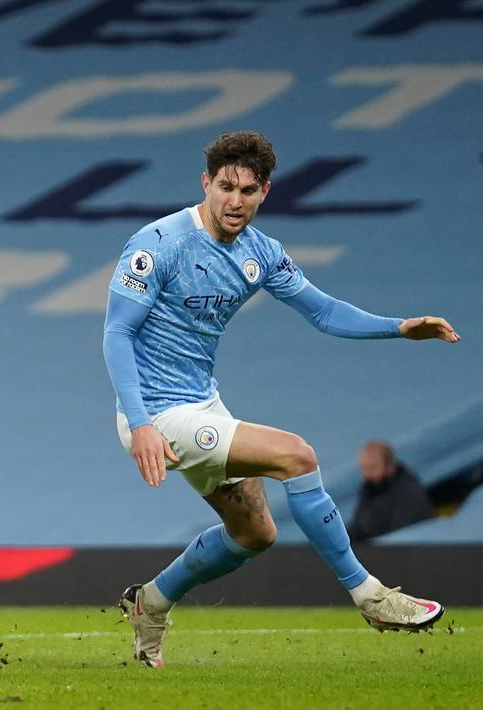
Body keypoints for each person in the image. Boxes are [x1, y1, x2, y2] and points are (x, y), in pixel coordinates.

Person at [102, 130, 460, 668]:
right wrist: (141, 422)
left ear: (264, 192)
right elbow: (117, 334)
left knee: (254, 533)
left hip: (202, 403)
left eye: (248, 190)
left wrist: (399, 328)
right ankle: (371, 596)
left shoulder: (261, 253)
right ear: (206, 183)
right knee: (298, 455)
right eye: (225, 187)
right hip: (154, 412)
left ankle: (150, 601)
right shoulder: (159, 243)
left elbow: (324, 311)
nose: (234, 200)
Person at [347, 440, 434, 542]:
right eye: (363, 468)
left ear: (390, 467)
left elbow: (402, 536)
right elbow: (358, 527)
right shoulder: (369, 488)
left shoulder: (409, 492)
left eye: (372, 467)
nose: (367, 474)